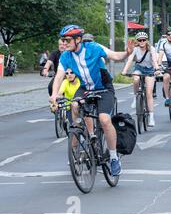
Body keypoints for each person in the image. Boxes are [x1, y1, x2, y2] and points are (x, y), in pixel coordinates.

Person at [50, 24, 134, 176]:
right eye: (63, 40)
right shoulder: (66, 56)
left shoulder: (93, 48)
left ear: (78, 39)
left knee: (104, 119)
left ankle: (114, 157)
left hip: (103, 88)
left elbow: (115, 56)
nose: (64, 43)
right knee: (75, 105)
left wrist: (127, 53)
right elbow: (58, 76)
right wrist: (54, 95)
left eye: (67, 40)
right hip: (85, 88)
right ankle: (84, 133)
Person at [121, 31, 158, 127]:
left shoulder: (151, 49)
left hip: (149, 70)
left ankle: (151, 117)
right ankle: (135, 96)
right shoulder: (135, 49)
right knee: (136, 79)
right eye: (140, 40)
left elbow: (154, 60)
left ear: (146, 41)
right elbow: (129, 60)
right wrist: (124, 71)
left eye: (143, 40)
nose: (142, 41)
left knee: (149, 93)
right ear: (137, 41)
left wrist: (157, 69)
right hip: (139, 69)